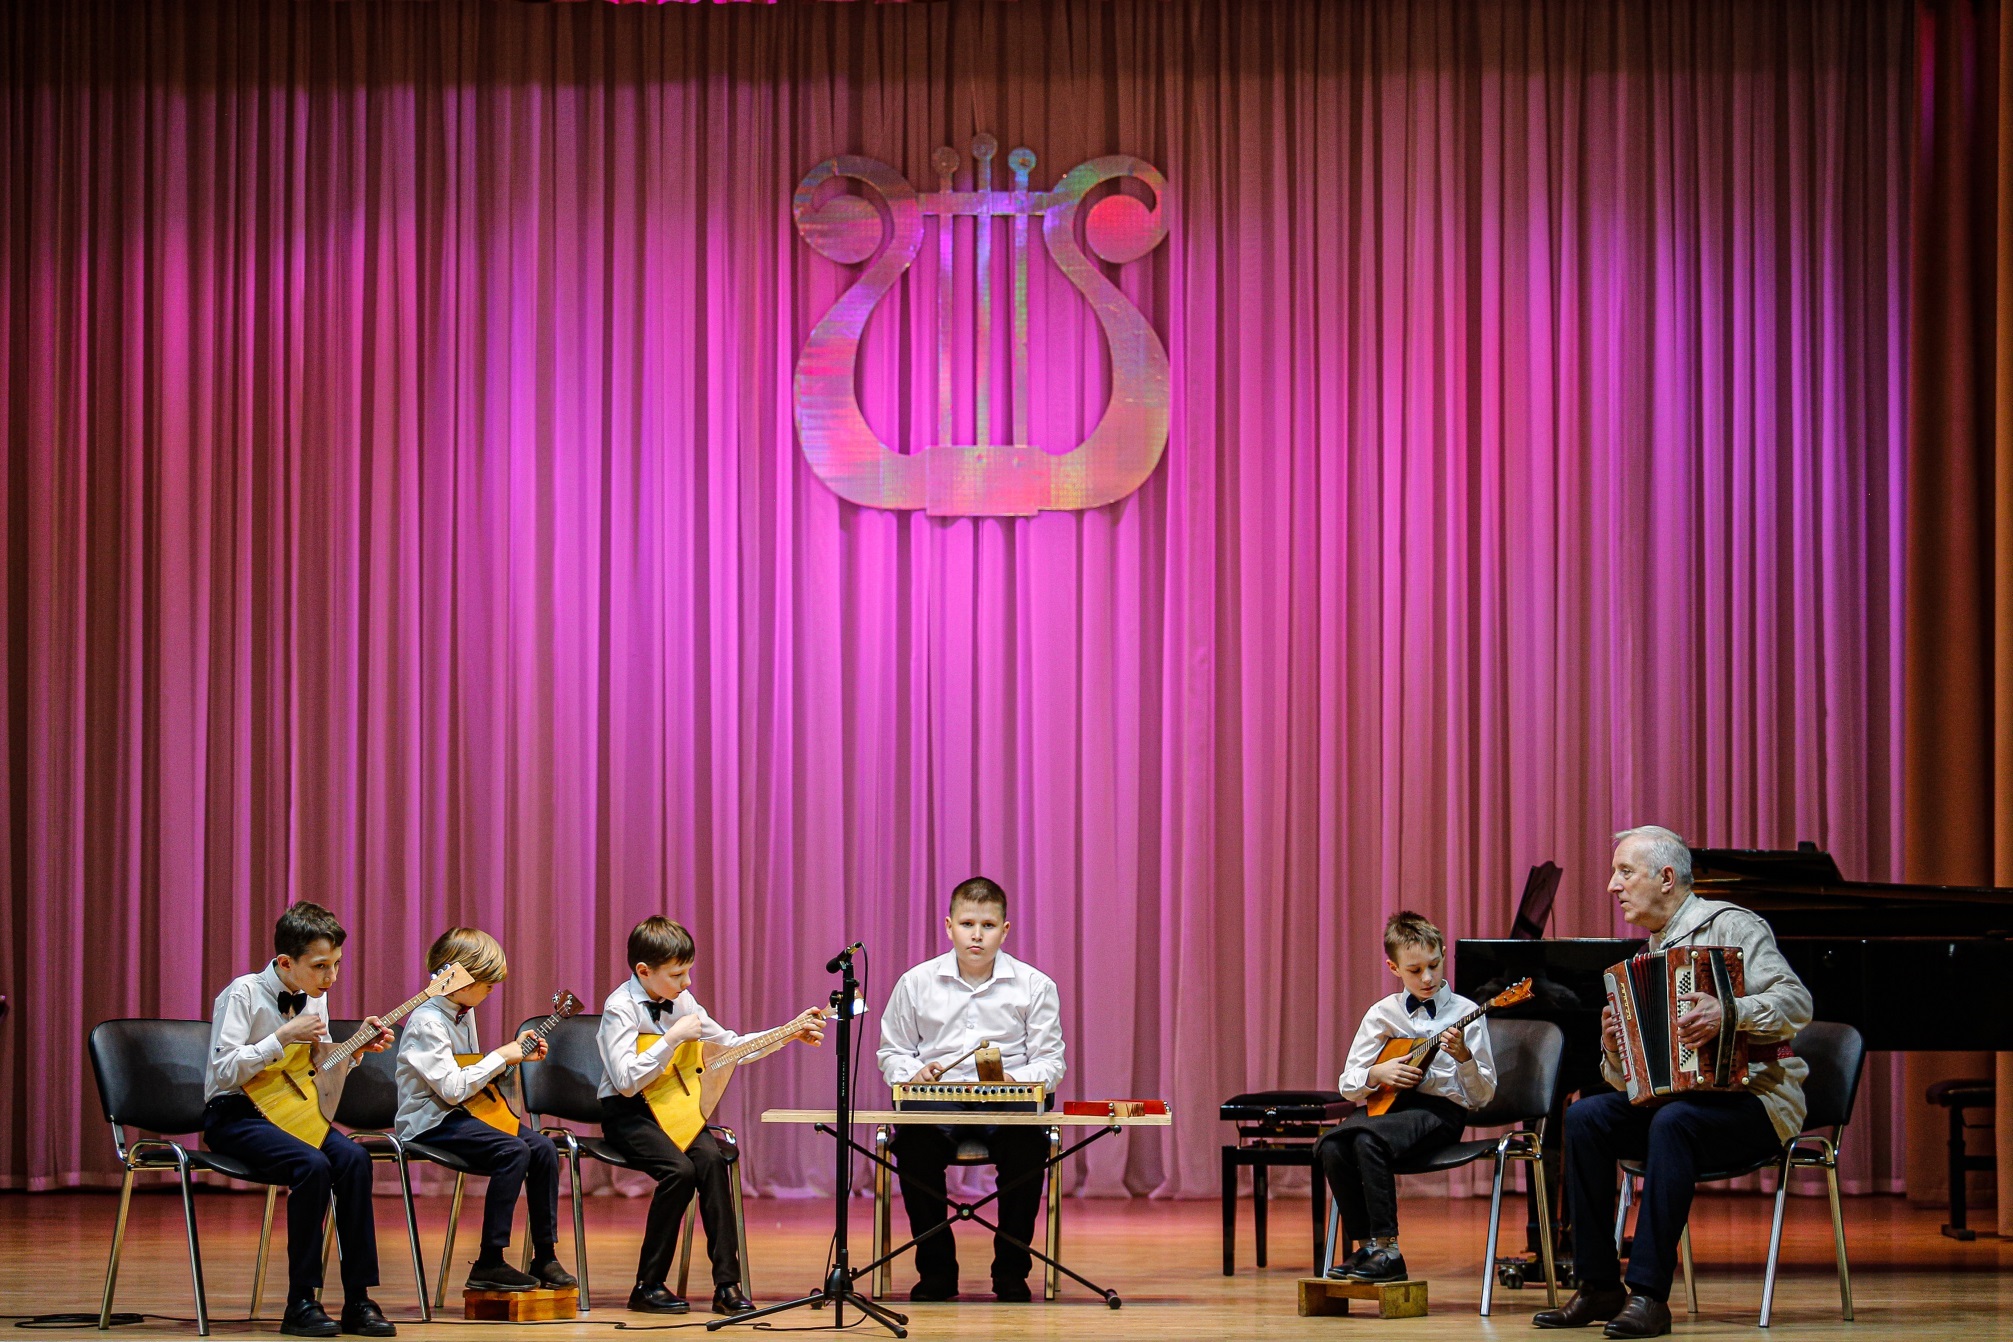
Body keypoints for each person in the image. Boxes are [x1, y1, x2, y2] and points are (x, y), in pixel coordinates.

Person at [1535, 825, 1811, 1340]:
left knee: (1675, 1121)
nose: (1612, 886)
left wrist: (1729, 1011)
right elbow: (1629, 1082)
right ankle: (1598, 1285)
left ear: (1666, 878)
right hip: (1680, 1107)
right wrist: (1614, 1047)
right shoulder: (1649, 953)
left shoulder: (1733, 925)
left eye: (1625, 872)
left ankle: (1648, 1295)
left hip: (1756, 1101)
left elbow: (1798, 1004)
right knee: (1587, 1116)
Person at [597, 916, 823, 1317]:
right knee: (680, 1172)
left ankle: (727, 1286)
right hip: (628, 1114)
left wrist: (788, 1032)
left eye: (688, 972)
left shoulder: (683, 1002)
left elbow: (731, 1048)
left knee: (713, 1162)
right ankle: (647, 1285)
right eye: (677, 975)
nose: (687, 983)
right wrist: (671, 1039)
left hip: (675, 1109)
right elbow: (626, 1081)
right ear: (644, 971)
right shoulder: (620, 1008)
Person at [203, 902, 396, 1337]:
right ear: (286, 962)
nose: (331, 977)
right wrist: (281, 1036)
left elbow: (316, 1071)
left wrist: (355, 1049)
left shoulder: (316, 997)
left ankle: (358, 1299)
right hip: (235, 1114)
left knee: (355, 1160)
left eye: (337, 964)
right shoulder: (243, 993)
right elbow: (223, 1071)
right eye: (321, 966)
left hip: (293, 1110)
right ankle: (301, 1301)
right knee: (312, 1165)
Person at [876, 876, 1067, 1303]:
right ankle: (937, 1273)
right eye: (967, 924)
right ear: (949, 927)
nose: (976, 935)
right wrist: (915, 1071)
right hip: (938, 1101)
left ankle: (1011, 1273)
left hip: (1007, 1103)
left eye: (988, 925)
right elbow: (892, 1052)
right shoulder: (915, 982)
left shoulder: (1035, 985)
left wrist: (1018, 1080)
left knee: (1028, 1148)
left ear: (1005, 930)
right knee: (914, 1146)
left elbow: (1051, 1062)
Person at [394, 926, 575, 1293]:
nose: (492, 991)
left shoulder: (464, 1010)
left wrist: (514, 1056)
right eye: (487, 984)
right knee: (513, 1150)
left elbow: (470, 1072)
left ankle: (544, 1255)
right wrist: (500, 1056)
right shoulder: (427, 1022)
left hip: (464, 1113)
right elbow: (451, 1089)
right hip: (430, 1121)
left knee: (542, 1148)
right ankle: (489, 1261)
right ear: (459, 980)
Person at [1319, 911, 1497, 1284]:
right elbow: (1348, 1083)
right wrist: (1377, 1074)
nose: (1427, 978)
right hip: (1390, 1110)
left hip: (1441, 1114)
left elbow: (1482, 1096)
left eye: (1434, 965)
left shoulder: (1466, 1013)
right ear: (1394, 968)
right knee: (1332, 1144)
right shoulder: (1382, 1014)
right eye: (1415, 970)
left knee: (1367, 1140)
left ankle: (1389, 1251)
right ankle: (1367, 1247)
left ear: (1443, 954)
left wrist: (1464, 1058)